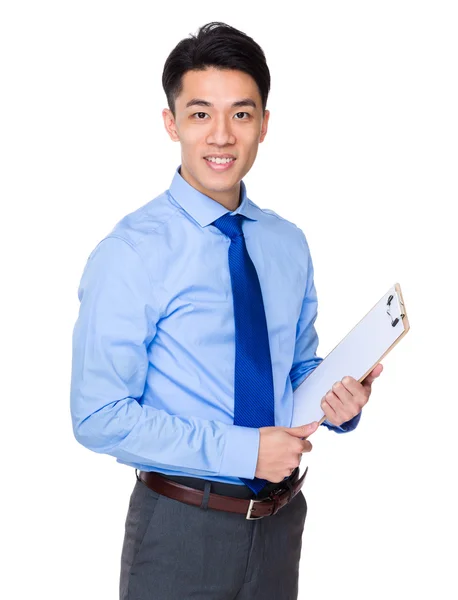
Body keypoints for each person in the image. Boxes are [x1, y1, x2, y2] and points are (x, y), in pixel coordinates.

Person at [70, 21, 383, 600]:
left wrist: (337, 400)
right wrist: (245, 450)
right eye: (199, 114)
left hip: (281, 521)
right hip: (182, 527)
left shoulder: (287, 243)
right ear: (171, 124)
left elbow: (291, 372)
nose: (221, 136)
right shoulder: (131, 252)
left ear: (264, 124)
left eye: (241, 114)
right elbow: (98, 415)